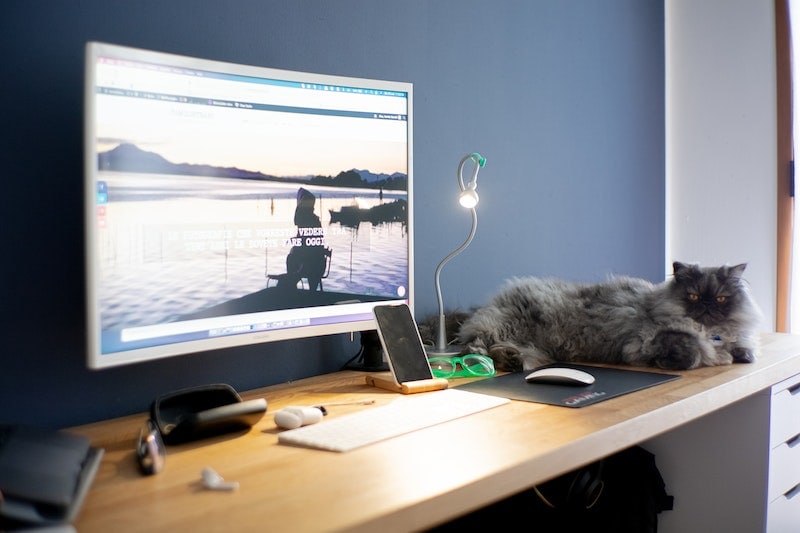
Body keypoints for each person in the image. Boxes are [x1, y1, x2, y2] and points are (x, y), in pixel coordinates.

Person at [277, 188, 328, 290]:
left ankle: (293, 288)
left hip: (313, 264)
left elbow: (309, 245)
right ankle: (293, 286)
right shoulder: (311, 220)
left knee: (292, 259)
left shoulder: (311, 221)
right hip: (311, 262)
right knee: (292, 258)